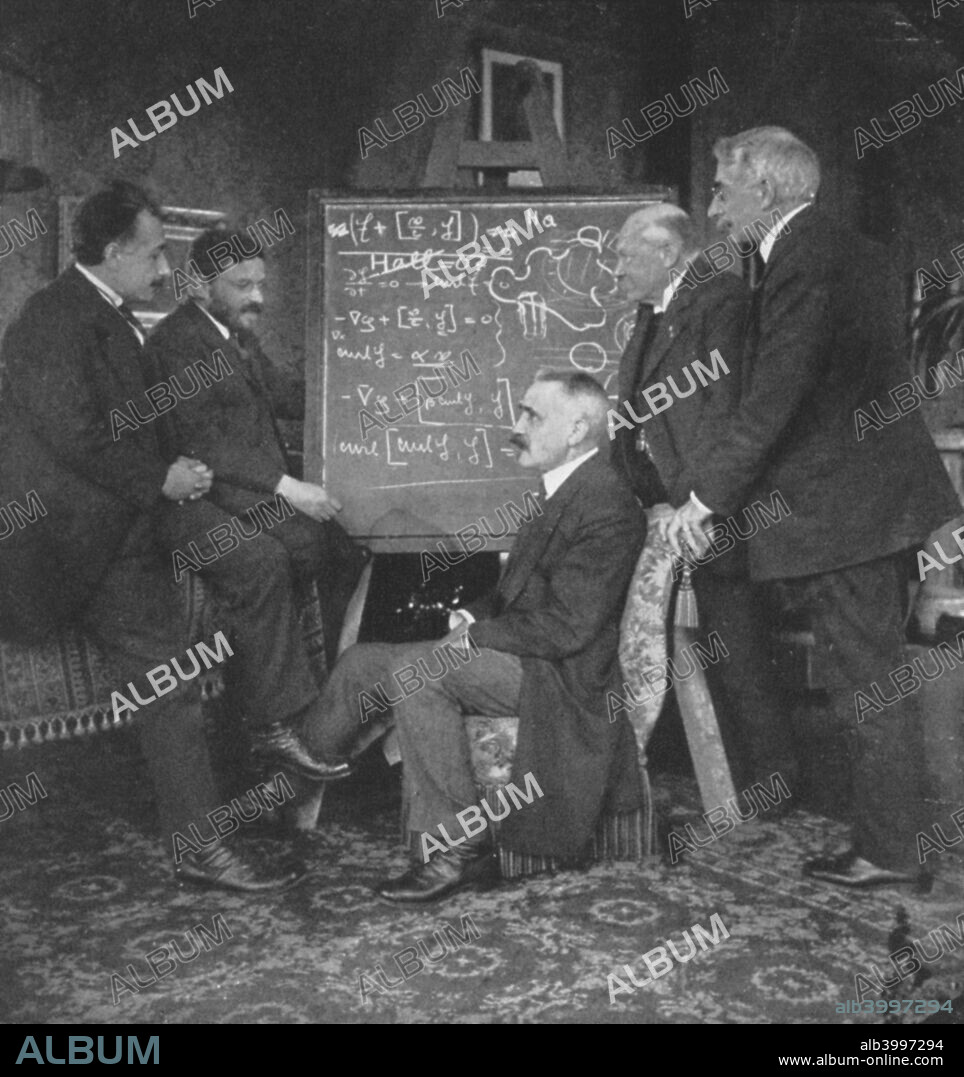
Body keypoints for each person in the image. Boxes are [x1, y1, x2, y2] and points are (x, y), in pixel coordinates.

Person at [667, 127, 960, 887]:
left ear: (764, 190)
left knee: (867, 678)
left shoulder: (802, 256)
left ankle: (893, 852)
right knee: (871, 675)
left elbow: (776, 396)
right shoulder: (847, 247)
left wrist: (704, 497)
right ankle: (893, 841)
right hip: (870, 500)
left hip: (849, 509)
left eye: (723, 191)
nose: (714, 207)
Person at [0, 182, 303, 891]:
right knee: (167, 674)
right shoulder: (51, 322)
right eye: (155, 252)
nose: (166, 270)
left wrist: (183, 469)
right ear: (112, 252)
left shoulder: (102, 312)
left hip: (116, 517)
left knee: (257, 559)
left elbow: (124, 426)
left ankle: (266, 732)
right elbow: (76, 438)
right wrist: (161, 479)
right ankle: (201, 841)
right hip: (73, 540)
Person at [304, 370, 647, 903]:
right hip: (531, 657)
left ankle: (457, 851)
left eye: (533, 415)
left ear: (579, 428)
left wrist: (478, 637)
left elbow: (569, 626)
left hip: (561, 679)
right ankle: (294, 784)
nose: (517, 426)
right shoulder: (560, 491)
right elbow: (518, 595)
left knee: (418, 673)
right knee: (362, 663)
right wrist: (470, 615)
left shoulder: (605, 502)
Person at [145, 225, 368, 782]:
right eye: (243, 284)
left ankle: (339, 701)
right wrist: (290, 489)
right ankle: (273, 726)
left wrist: (361, 388)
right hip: (201, 495)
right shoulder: (177, 342)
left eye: (261, 283)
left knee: (337, 545)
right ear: (199, 284)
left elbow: (289, 394)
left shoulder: (234, 336)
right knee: (267, 559)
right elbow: (203, 442)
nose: (259, 298)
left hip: (242, 492)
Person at [611, 203, 796, 792]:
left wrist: (698, 506)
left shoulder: (721, 301)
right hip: (662, 511)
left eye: (623, 253)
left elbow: (725, 413)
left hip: (708, 513)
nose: (614, 267)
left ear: (667, 252)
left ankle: (773, 780)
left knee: (734, 644)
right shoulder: (654, 310)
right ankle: (715, 775)